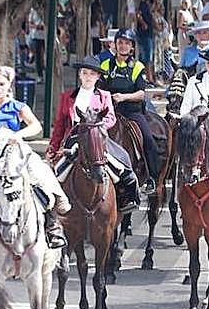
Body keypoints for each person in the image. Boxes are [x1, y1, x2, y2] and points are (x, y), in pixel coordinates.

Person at [0, 65, 69, 248]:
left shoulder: (17, 106)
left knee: (39, 170)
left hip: (16, 152)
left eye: (2, 84)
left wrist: (18, 135)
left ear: (9, 84)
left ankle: (53, 222)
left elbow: (36, 126)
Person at [46, 56, 140, 213]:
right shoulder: (67, 97)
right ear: (80, 75)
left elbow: (111, 117)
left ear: (97, 76)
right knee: (54, 174)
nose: (88, 77)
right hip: (74, 140)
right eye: (85, 73)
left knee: (122, 162)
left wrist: (98, 126)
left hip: (97, 138)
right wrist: (52, 147)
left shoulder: (104, 95)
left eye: (92, 73)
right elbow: (60, 126)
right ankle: (53, 209)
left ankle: (128, 197)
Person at [99, 30, 161, 195]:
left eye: (127, 43)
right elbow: (99, 89)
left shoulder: (138, 67)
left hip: (132, 112)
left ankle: (152, 178)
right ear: (115, 44)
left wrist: (124, 97)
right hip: (109, 111)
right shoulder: (106, 65)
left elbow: (141, 93)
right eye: (120, 42)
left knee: (148, 139)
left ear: (132, 46)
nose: (123, 46)